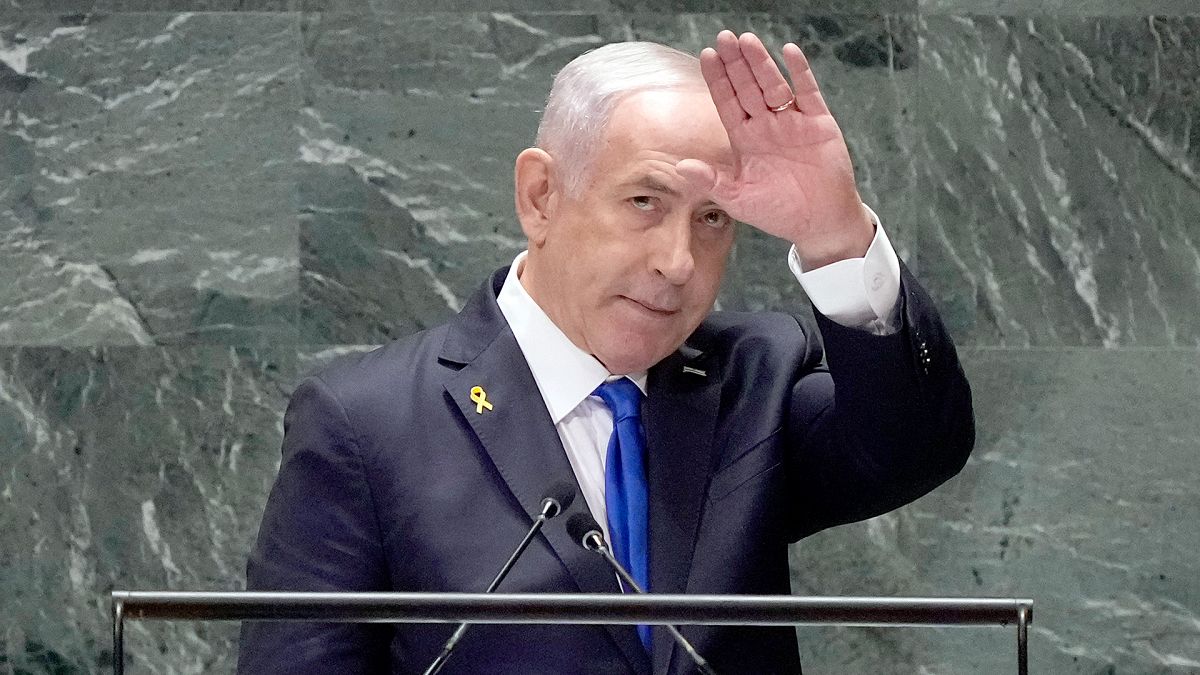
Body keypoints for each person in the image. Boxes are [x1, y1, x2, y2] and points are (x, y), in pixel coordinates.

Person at [238, 31, 974, 674]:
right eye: (645, 202)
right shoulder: (366, 424)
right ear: (540, 196)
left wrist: (835, 230)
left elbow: (914, 446)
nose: (680, 261)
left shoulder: (755, 379)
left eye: (712, 217)